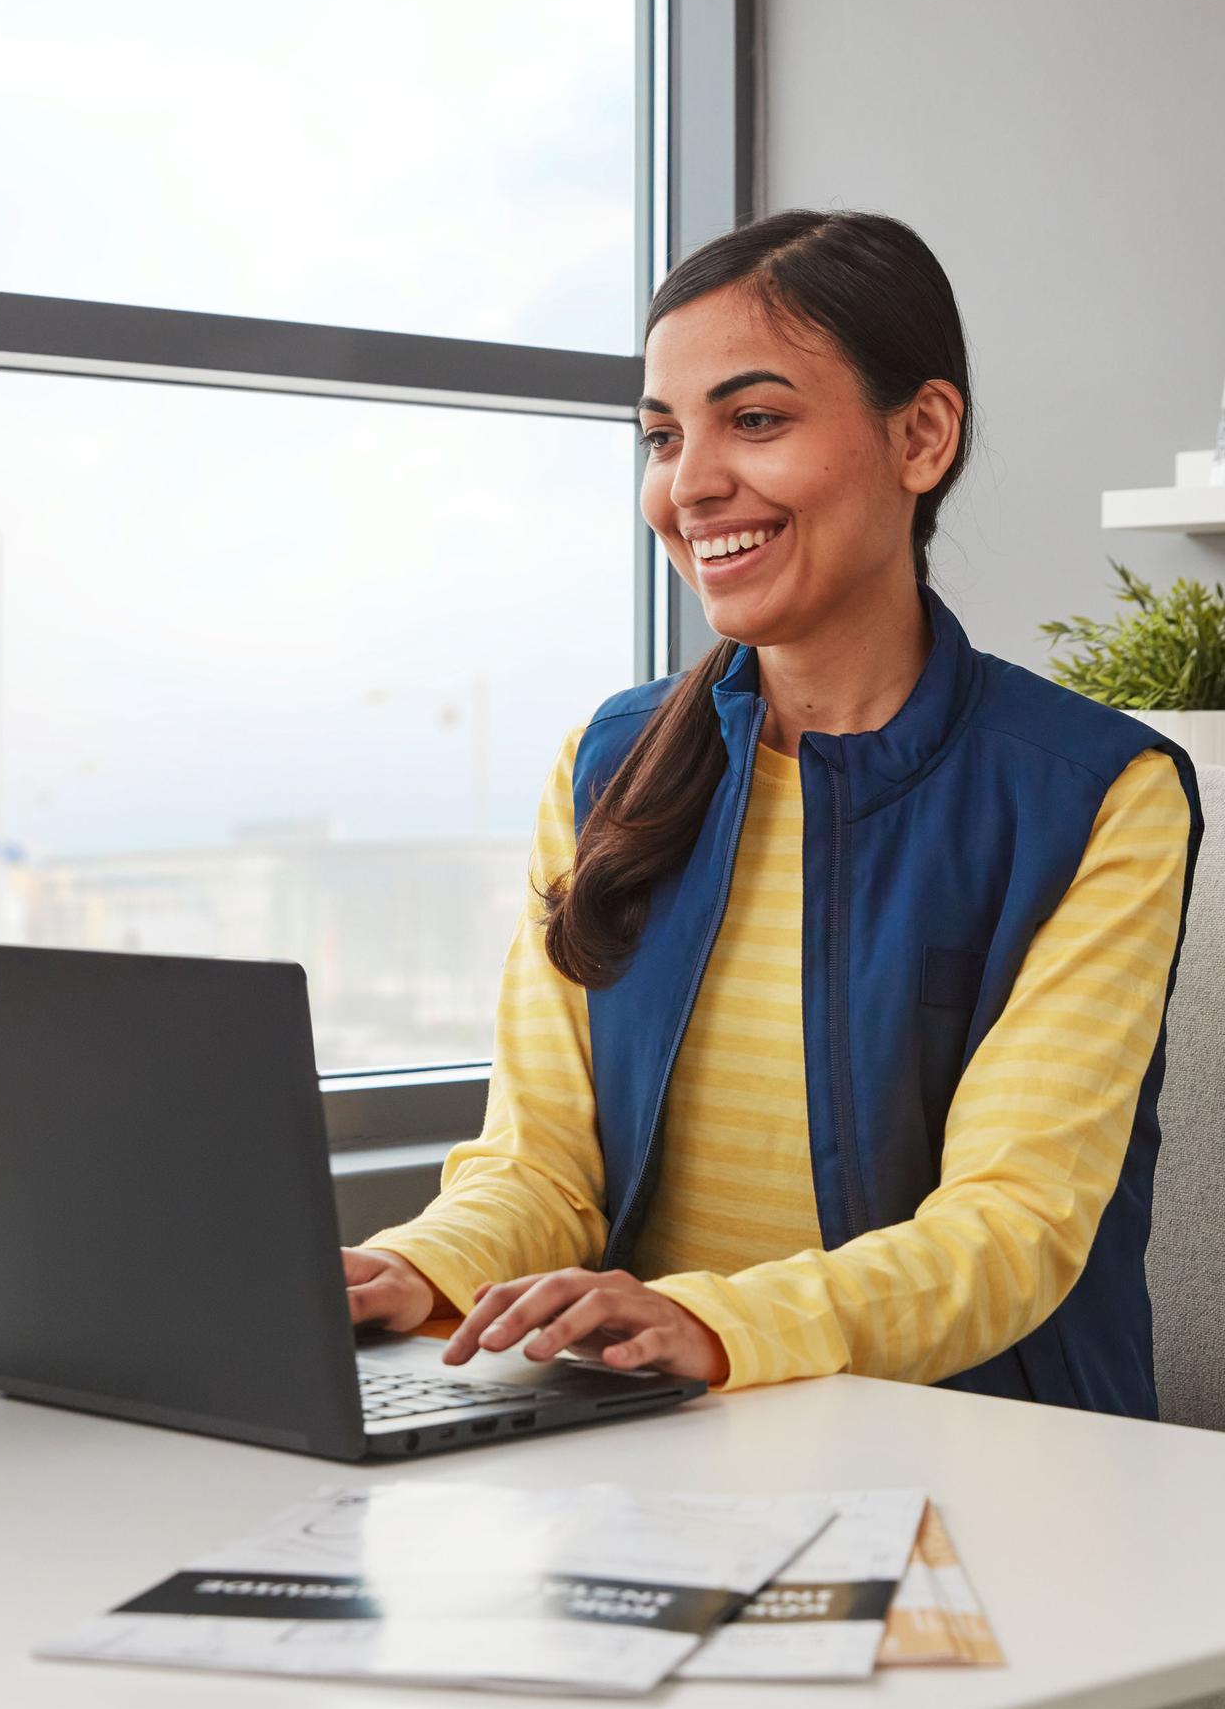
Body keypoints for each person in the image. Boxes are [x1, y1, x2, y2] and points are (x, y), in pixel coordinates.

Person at [341, 208, 1205, 1417]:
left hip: (987, 1450)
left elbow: (1013, 1227)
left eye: (753, 420)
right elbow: (539, 1161)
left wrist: (710, 1318)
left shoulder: (1095, 792)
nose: (689, 485)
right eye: (660, 436)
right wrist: (409, 1265)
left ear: (919, 435)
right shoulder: (610, 765)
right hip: (664, 1436)